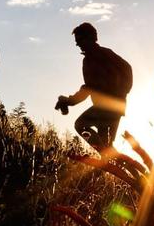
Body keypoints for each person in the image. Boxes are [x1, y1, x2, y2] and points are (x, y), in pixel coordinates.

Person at [55, 22, 133, 152]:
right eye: (76, 41)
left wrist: (121, 93)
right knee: (106, 143)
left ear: (90, 38)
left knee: (80, 125)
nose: (77, 44)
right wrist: (69, 101)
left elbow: (127, 69)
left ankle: (109, 155)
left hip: (109, 107)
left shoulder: (102, 55)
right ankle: (113, 159)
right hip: (110, 106)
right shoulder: (89, 60)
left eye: (79, 40)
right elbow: (89, 88)